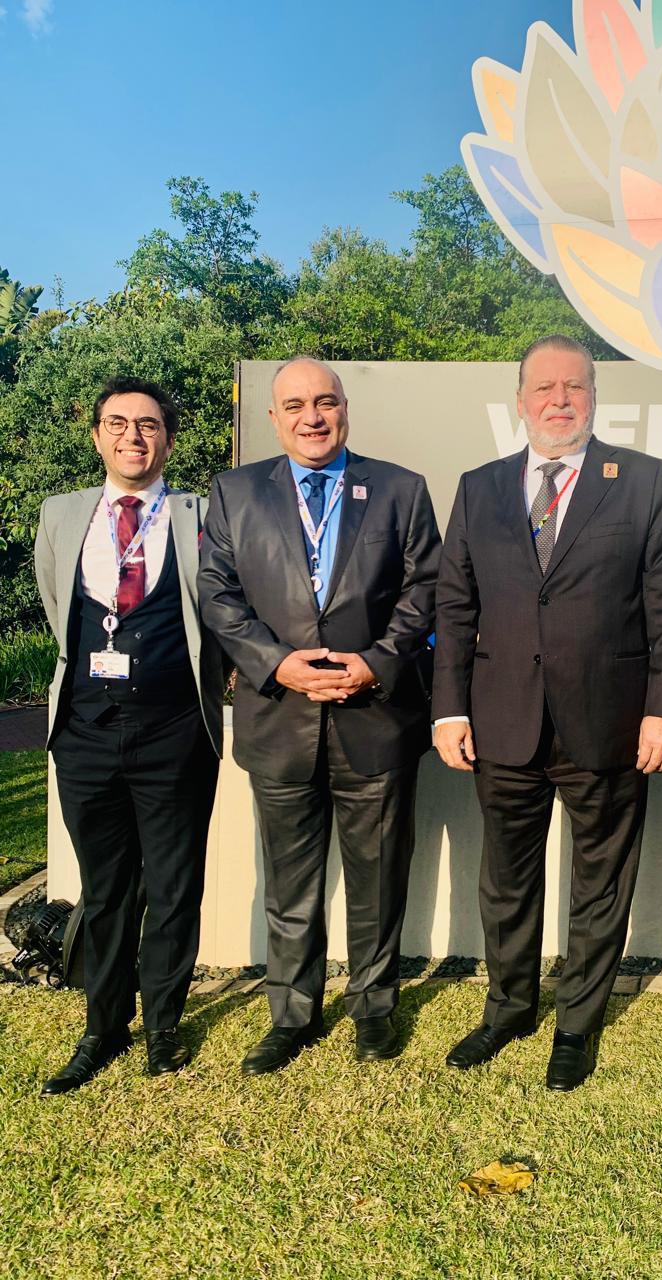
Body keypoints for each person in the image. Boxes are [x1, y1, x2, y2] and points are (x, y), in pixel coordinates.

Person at [433, 334, 662, 1091]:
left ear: (594, 397)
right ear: (520, 400)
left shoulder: (640, 480)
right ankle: (509, 1009)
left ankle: (577, 1025)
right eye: (544, 387)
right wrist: (449, 710)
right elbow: (455, 607)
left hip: (609, 722)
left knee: (600, 883)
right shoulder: (480, 487)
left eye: (574, 386)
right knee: (505, 881)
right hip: (503, 721)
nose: (559, 400)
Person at [198, 357, 440, 1074]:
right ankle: (293, 1015)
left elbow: (425, 589)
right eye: (297, 405)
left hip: (376, 717)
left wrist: (378, 660)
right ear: (274, 418)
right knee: (290, 886)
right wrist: (277, 664)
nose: (313, 417)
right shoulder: (236, 492)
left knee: (378, 880)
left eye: (326, 402)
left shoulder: (400, 489)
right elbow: (217, 594)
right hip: (280, 718)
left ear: (344, 410)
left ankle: (374, 1008)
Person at [34, 376, 223, 1095]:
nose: (132, 437)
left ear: (167, 439)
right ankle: (103, 1027)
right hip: (84, 733)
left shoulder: (203, 513)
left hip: (175, 731)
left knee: (174, 885)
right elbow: (58, 603)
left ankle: (163, 1026)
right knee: (106, 889)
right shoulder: (61, 514)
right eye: (117, 423)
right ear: (97, 436)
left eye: (147, 425)